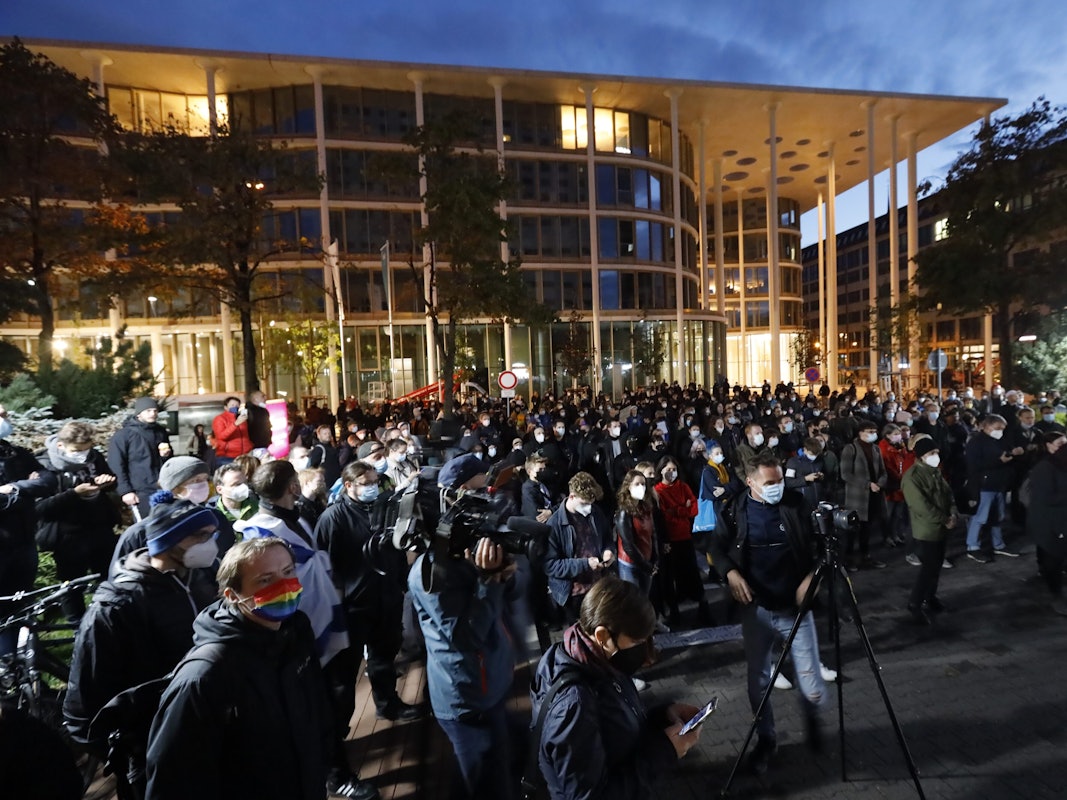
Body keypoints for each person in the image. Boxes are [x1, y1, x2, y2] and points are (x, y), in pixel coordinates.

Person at [144, 538, 335, 800]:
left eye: (288, 572)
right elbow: (174, 779)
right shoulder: (205, 676)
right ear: (233, 596)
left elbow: (315, 704)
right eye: (266, 580)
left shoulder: (296, 630)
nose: (284, 585)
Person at [63, 497, 219, 761]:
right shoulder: (116, 608)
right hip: (152, 742)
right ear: (170, 540)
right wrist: (126, 754)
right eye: (201, 536)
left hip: (203, 725)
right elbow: (85, 704)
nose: (210, 544)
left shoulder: (199, 579)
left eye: (212, 535)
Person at [708, 450, 827, 775]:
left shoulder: (796, 505)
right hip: (757, 610)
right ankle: (766, 738)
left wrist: (812, 580)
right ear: (750, 482)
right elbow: (716, 548)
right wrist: (730, 573)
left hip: (796, 609)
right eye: (769, 482)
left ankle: (813, 719)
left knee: (810, 678)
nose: (777, 487)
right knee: (758, 681)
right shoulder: (735, 510)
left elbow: (823, 548)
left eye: (780, 480)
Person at [530, 577, 701, 799]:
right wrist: (665, 751)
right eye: (636, 643)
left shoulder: (592, 658)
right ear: (602, 635)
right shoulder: (573, 706)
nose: (644, 653)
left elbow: (613, 725)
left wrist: (662, 717)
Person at [409, 536, 519, 800]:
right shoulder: (431, 574)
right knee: (486, 785)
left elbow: (509, 596)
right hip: (467, 699)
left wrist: (504, 575)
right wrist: (489, 580)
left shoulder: (462, 557)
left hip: (489, 684)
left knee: (489, 768)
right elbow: (467, 636)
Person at [314, 461, 424, 724]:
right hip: (352, 605)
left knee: (383, 659)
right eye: (366, 483)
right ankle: (337, 726)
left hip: (385, 597)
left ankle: (388, 705)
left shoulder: (383, 509)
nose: (373, 488)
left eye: (375, 482)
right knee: (346, 671)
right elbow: (323, 564)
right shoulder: (333, 517)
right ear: (349, 485)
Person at [36, 421, 121, 619]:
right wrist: (74, 493)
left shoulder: (94, 457)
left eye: (86, 449)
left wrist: (106, 482)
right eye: (77, 450)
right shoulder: (44, 463)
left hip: (99, 527)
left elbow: (109, 479)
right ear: (60, 445)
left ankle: (110, 620)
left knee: (110, 577)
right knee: (71, 585)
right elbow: (40, 507)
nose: (83, 454)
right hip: (67, 534)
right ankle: (77, 626)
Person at [0, 405, 57, 654]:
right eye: (1, 415)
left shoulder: (16, 453)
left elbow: (48, 481)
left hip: (23, 542)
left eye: (6, 414)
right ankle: (6, 666)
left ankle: (24, 662)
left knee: (22, 602)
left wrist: (13, 488)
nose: (6, 419)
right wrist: (26, 488)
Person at [543, 471, 615, 622]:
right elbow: (550, 566)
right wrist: (585, 564)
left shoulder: (595, 512)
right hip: (574, 595)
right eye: (584, 503)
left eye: (591, 503)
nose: (588, 508)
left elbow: (607, 537)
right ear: (571, 497)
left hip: (598, 587)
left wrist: (608, 551)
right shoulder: (554, 525)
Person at [901, 438, 958, 625]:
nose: (936, 457)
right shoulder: (912, 477)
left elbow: (947, 493)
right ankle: (915, 603)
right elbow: (921, 506)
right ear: (921, 456)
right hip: (927, 529)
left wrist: (952, 512)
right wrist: (944, 519)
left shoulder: (935, 471)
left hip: (942, 526)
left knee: (936, 565)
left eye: (936, 452)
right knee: (928, 568)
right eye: (931, 453)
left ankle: (930, 598)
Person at [653, 456, 711, 628]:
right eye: (668, 469)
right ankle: (674, 612)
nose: (671, 473)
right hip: (669, 540)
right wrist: (681, 509)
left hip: (685, 536)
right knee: (671, 576)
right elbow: (663, 515)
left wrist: (677, 510)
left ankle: (703, 609)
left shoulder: (683, 487)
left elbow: (693, 509)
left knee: (692, 574)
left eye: (674, 469)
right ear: (661, 470)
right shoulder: (658, 491)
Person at [965, 414, 1022, 562]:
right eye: (997, 428)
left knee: (998, 516)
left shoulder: (1001, 440)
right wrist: (999, 461)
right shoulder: (976, 442)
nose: (1000, 431)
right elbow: (974, 466)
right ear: (986, 426)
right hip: (985, 485)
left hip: (1000, 485)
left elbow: (1005, 456)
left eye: (1002, 429)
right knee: (980, 517)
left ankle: (998, 545)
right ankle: (972, 547)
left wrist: (1013, 454)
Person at [108, 397, 172, 519]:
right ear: (139, 413)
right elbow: (116, 464)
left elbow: (168, 460)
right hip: (139, 491)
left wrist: (166, 455)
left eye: (155, 411)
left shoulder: (160, 432)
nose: (153, 414)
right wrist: (125, 491)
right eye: (148, 411)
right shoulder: (123, 435)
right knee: (145, 527)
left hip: (162, 487)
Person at [1027, 432, 1067, 615]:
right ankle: (1056, 595)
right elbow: (1044, 498)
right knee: (1053, 560)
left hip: (1061, 520)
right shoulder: (1045, 467)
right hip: (1049, 522)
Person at [838, 420, 887, 570]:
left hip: (874, 495)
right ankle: (848, 559)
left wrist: (880, 482)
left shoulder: (876, 449)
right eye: (870, 431)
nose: (873, 434)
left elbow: (883, 471)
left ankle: (866, 557)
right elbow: (846, 474)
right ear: (861, 433)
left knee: (867, 529)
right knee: (853, 530)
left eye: (874, 431)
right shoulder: (850, 449)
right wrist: (867, 484)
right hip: (857, 496)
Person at [211, 397, 252, 464]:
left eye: (237, 405)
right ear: (226, 407)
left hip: (244, 455)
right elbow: (221, 436)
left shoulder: (242, 418)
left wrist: (250, 446)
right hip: (227, 456)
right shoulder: (220, 419)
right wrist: (235, 424)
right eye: (232, 405)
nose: (235, 407)